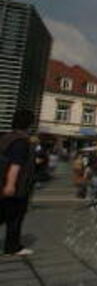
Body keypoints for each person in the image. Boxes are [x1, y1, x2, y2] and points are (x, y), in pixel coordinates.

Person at [0, 109, 37, 256]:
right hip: (17, 186)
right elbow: (16, 164)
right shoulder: (21, 141)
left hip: (4, 183)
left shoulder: (6, 137)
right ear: (29, 124)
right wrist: (10, 184)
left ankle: (12, 246)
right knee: (13, 216)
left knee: (7, 215)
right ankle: (12, 247)